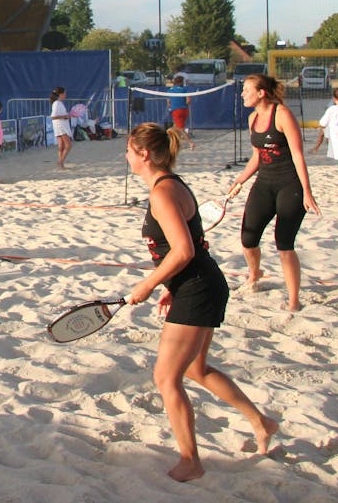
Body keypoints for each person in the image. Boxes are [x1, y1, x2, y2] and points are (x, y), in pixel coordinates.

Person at [125, 122, 278, 482]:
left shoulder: (163, 193)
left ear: (144, 154)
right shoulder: (170, 185)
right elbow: (187, 246)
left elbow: (183, 250)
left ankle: (190, 461)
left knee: (166, 378)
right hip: (197, 283)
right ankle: (262, 422)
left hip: (199, 286)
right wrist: (172, 286)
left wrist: (149, 284)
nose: (127, 157)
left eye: (130, 151)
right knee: (196, 370)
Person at [229, 74, 320, 311]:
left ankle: (293, 300)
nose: (242, 94)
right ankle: (254, 274)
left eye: (246, 90)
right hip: (264, 183)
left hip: (290, 184)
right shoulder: (252, 118)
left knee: (284, 244)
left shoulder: (282, 114)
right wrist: (239, 180)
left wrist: (307, 192)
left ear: (261, 93)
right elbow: (257, 157)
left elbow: (298, 155)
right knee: (248, 240)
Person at [167, 75, 196, 150]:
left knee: (180, 129)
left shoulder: (171, 90)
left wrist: (171, 107)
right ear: (181, 82)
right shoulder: (184, 89)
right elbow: (188, 101)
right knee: (175, 127)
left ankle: (190, 143)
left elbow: (168, 102)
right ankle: (175, 143)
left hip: (176, 110)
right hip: (185, 110)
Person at [49, 86, 72, 169]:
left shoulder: (58, 103)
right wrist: (65, 116)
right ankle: (60, 162)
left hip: (59, 125)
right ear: (61, 94)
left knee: (61, 145)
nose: (65, 95)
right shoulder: (57, 103)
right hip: (60, 125)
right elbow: (53, 116)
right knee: (68, 145)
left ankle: (61, 163)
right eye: (64, 93)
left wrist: (67, 116)